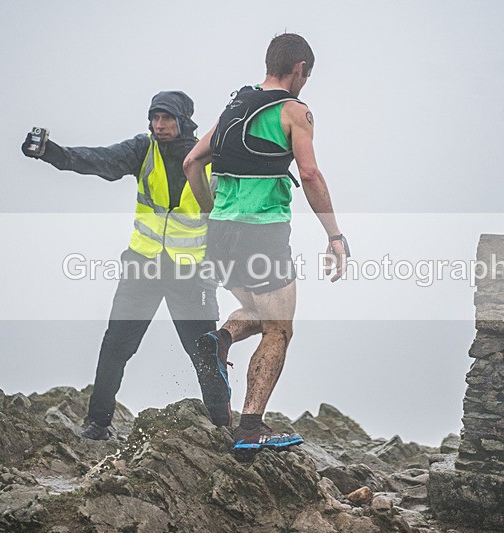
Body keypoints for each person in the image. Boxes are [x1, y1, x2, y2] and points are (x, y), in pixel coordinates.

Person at [21, 90, 226, 440]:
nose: (159, 125)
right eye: (155, 118)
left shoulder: (211, 159)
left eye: (167, 118)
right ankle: (98, 424)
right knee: (116, 345)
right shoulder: (141, 150)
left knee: (207, 353)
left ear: (184, 121)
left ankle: (224, 429)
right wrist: (51, 153)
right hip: (143, 267)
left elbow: (228, 218)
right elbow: (97, 160)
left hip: (190, 275)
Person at [183, 33, 349, 453]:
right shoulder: (295, 111)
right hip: (263, 232)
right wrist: (335, 235)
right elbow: (309, 175)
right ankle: (250, 429)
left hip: (221, 231)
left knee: (260, 310)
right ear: (300, 70)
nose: (305, 82)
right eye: (306, 76)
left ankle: (217, 342)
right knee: (279, 329)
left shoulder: (234, 106)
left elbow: (192, 163)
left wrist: (211, 212)